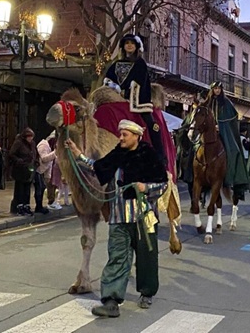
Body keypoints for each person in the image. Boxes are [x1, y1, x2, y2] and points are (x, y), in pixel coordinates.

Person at [65, 119, 168, 318]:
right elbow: (98, 167)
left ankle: (147, 292)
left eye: (125, 135)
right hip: (119, 217)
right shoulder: (117, 154)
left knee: (146, 258)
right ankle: (111, 301)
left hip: (142, 217)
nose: (120, 137)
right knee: (117, 258)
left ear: (136, 136)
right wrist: (78, 154)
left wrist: (146, 188)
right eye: (120, 134)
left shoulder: (149, 155)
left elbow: (163, 184)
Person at [105, 33, 166, 165]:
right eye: (127, 43)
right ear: (123, 46)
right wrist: (113, 87)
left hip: (139, 101)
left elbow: (139, 81)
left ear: (137, 46)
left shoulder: (140, 63)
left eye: (132, 43)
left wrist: (125, 92)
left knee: (153, 125)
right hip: (117, 99)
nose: (129, 45)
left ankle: (160, 157)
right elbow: (108, 79)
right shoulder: (116, 64)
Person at [202, 81, 248, 199]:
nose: (217, 90)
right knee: (195, 149)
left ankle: (232, 179)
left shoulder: (227, 103)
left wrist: (220, 126)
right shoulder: (207, 103)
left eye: (219, 88)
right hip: (208, 134)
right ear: (212, 90)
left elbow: (232, 119)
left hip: (224, 133)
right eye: (215, 88)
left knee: (234, 150)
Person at [8, 127, 38, 216]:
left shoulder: (32, 144)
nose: (30, 139)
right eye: (28, 137)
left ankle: (26, 206)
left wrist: (36, 161)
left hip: (29, 169)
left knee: (27, 189)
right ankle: (19, 207)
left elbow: (35, 153)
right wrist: (19, 161)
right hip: (20, 170)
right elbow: (11, 154)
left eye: (31, 137)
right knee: (20, 189)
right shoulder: (19, 143)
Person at [33, 132, 57, 213]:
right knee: (39, 188)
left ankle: (39, 206)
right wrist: (55, 153)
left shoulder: (50, 147)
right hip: (37, 170)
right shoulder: (43, 145)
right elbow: (44, 158)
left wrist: (48, 176)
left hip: (42, 170)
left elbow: (49, 163)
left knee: (42, 187)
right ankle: (38, 206)